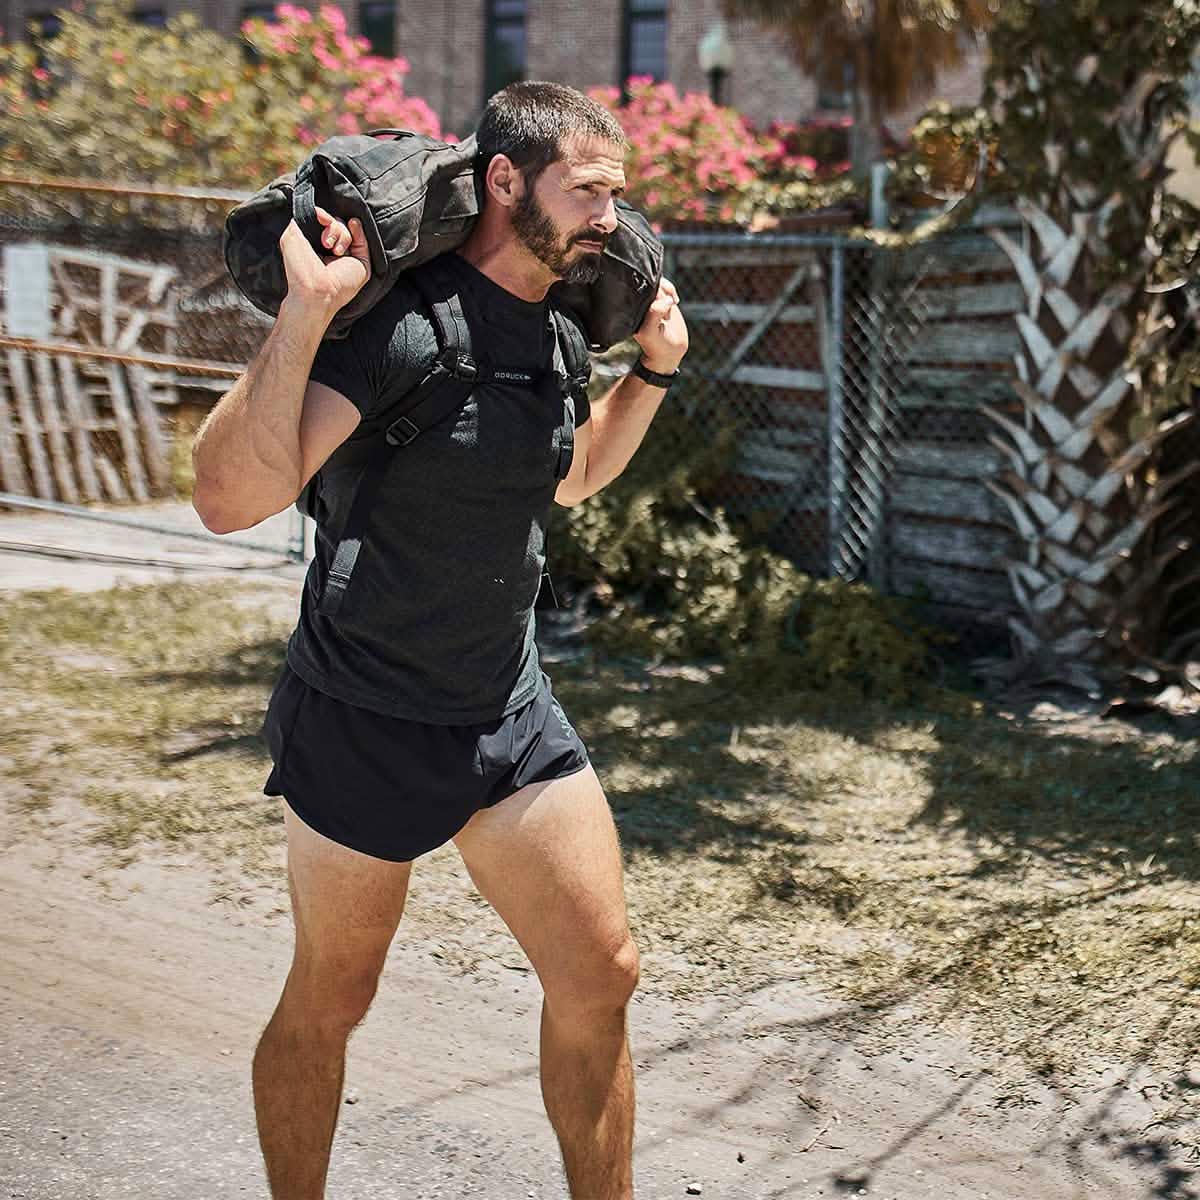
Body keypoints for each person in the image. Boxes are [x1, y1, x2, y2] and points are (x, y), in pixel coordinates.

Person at [190, 80, 688, 1200]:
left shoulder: (560, 333)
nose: (613, 216)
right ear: (505, 183)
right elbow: (228, 499)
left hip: (505, 714)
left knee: (602, 973)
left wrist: (653, 372)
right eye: (590, 190)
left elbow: (569, 481)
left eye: (619, 192)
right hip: (364, 716)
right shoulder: (401, 332)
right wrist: (306, 314)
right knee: (332, 998)